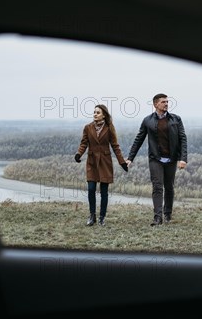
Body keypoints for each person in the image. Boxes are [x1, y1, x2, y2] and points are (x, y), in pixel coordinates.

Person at [126, 93, 187, 225]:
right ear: (155, 104)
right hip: (155, 159)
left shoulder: (176, 119)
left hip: (171, 159)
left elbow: (183, 139)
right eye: (163, 102)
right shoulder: (147, 120)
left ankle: (168, 214)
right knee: (157, 187)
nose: (166, 104)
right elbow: (139, 140)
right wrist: (130, 158)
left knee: (169, 187)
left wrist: (183, 159)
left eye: (167, 102)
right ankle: (157, 217)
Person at [75, 104, 128, 226]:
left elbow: (115, 146)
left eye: (98, 112)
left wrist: (122, 162)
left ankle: (102, 218)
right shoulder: (88, 128)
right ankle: (92, 216)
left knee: (104, 192)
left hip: (105, 162)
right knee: (91, 189)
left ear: (104, 115)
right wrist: (79, 154)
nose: (95, 114)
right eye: (94, 112)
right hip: (92, 162)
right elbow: (84, 143)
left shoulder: (109, 128)